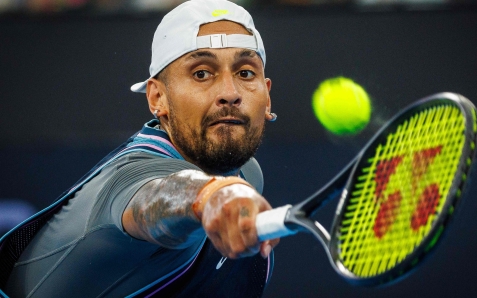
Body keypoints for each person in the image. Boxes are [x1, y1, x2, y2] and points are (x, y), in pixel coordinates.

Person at [0, 0, 280, 296]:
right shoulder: (130, 180)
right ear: (157, 98)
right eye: (201, 73)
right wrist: (212, 196)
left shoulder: (247, 172)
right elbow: (161, 198)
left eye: (246, 73)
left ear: (268, 97)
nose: (230, 93)